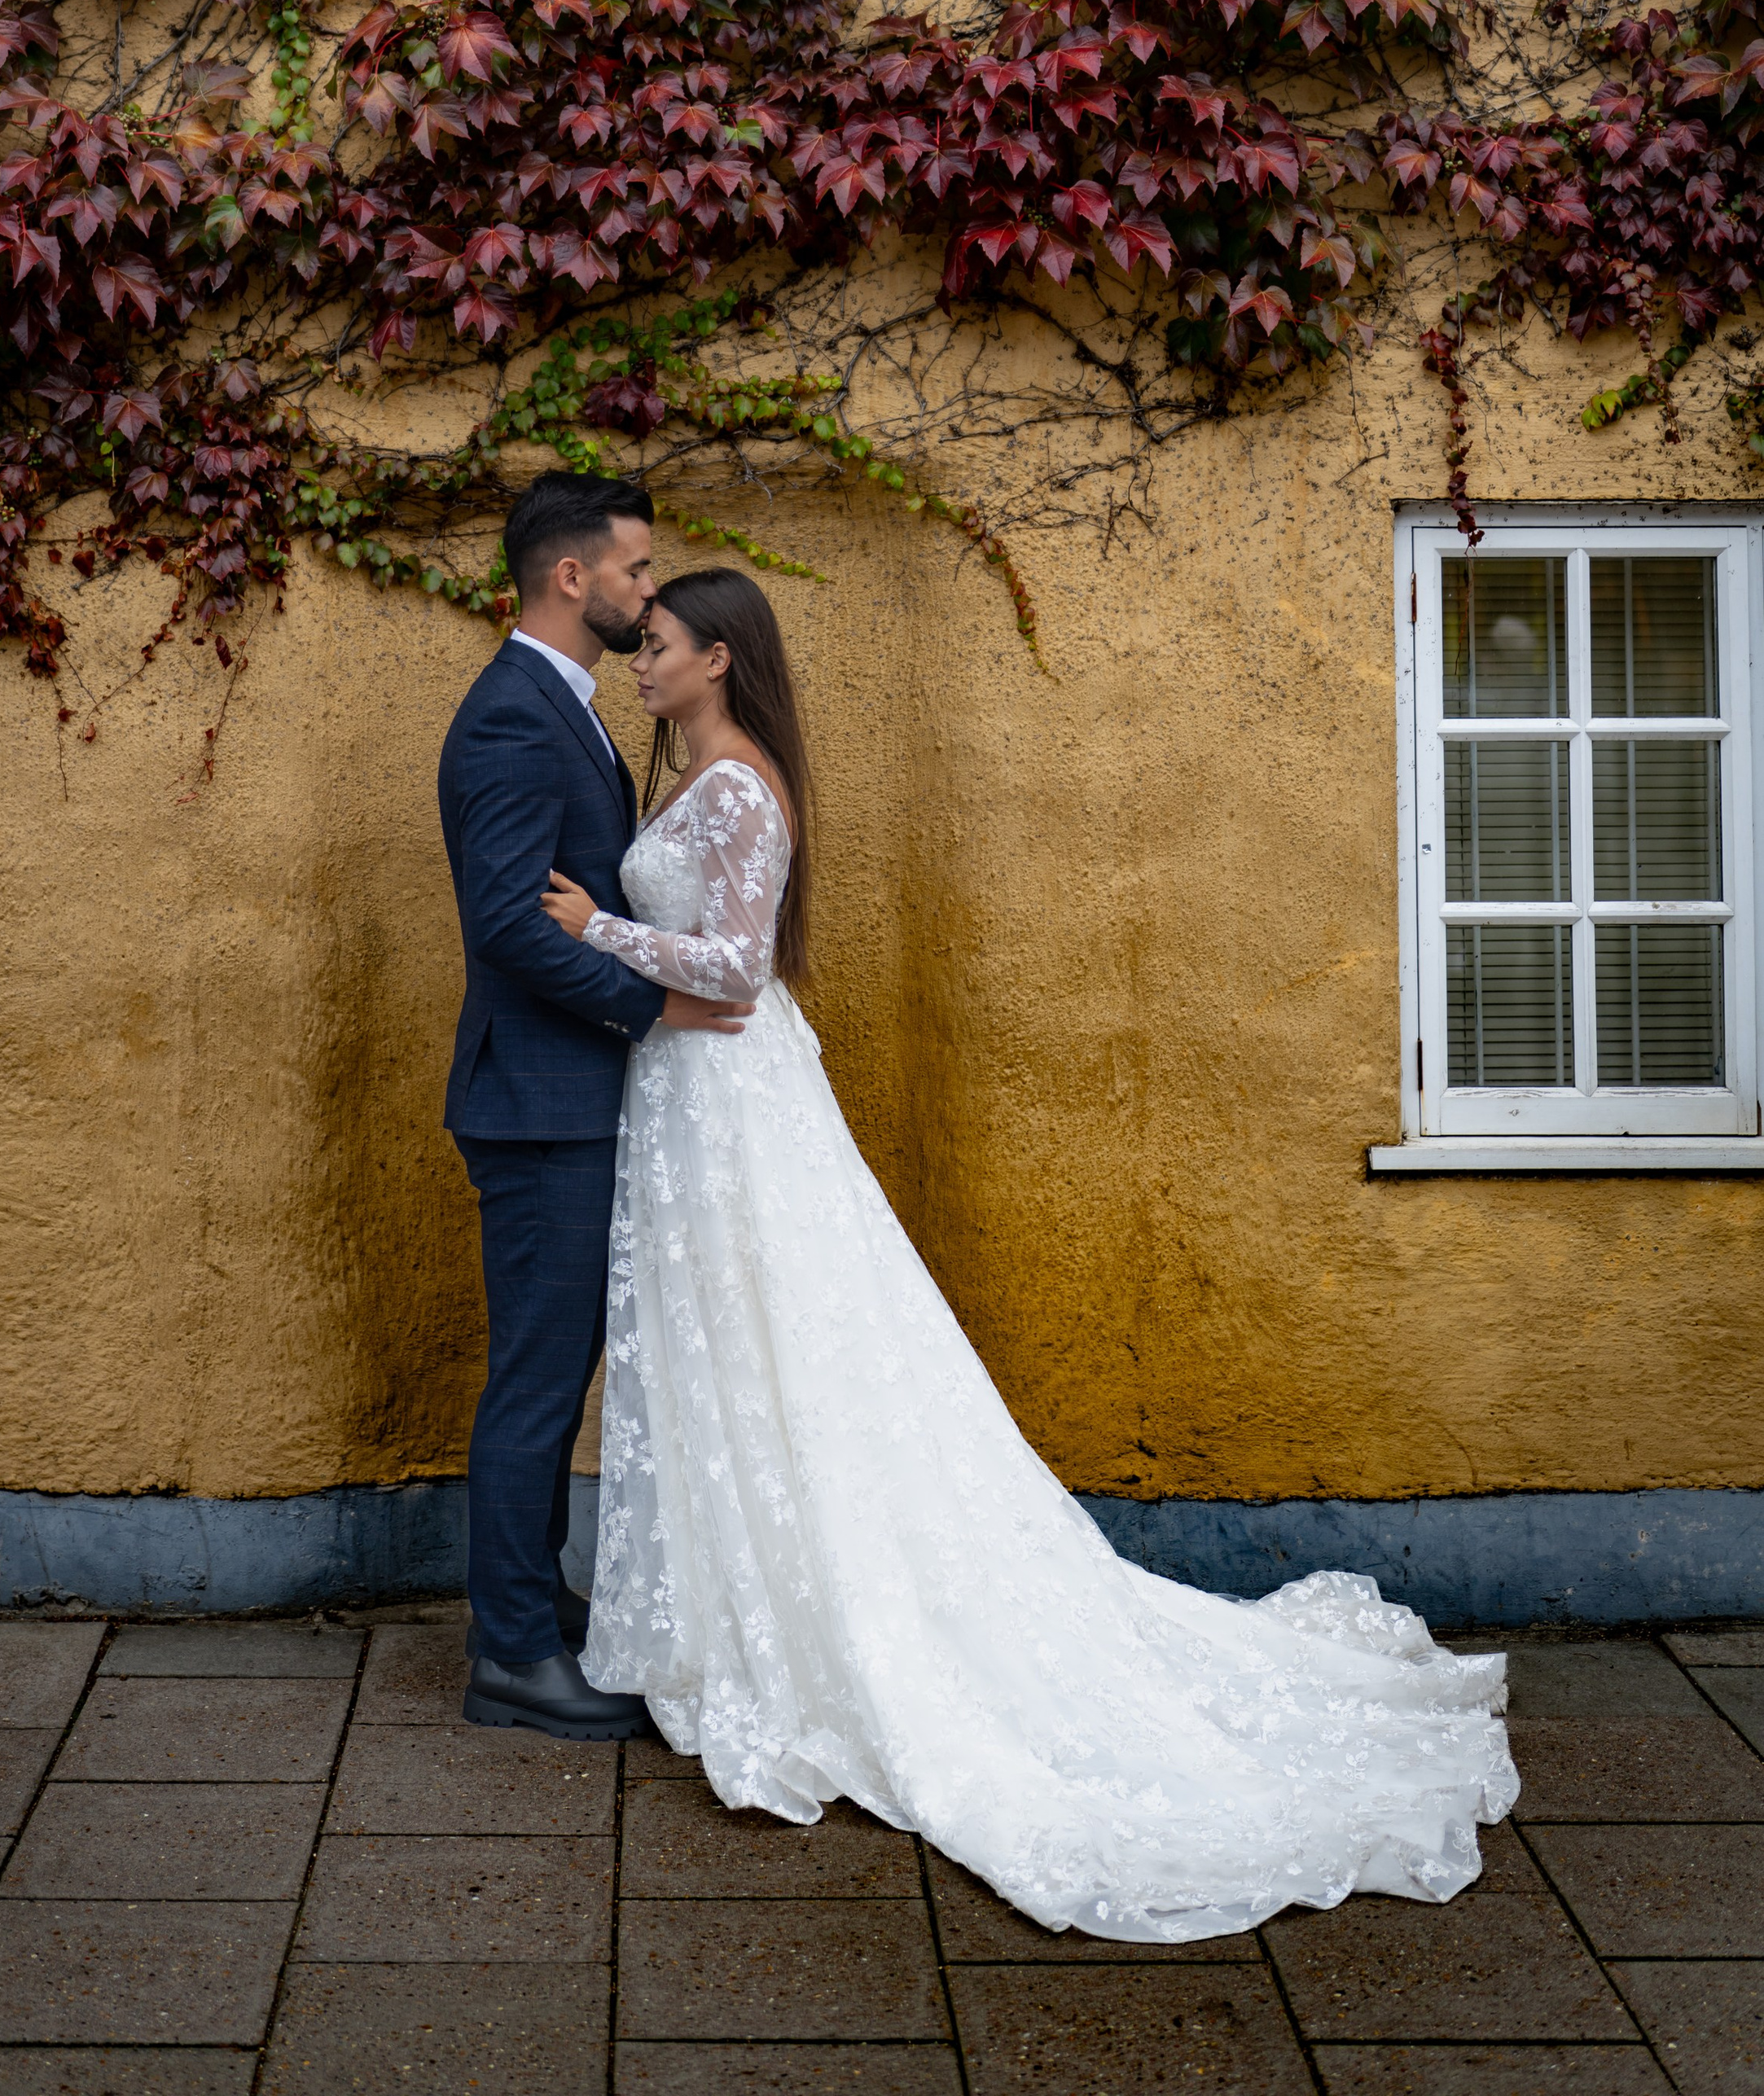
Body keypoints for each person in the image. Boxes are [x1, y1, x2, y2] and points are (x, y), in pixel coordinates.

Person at [538, 563, 1519, 1941]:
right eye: (639, 642)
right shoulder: (698, 776)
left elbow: (742, 968)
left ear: (719, 659)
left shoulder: (742, 786)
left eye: (657, 644)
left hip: (730, 1098)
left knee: (779, 1339)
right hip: (692, 1095)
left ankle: (826, 1623)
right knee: (732, 1347)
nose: (638, 660)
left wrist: (597, 929)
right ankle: (733, 1610)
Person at [437, 469, 749, 1743]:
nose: (648, 590)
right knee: (538, 1375)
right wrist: (651, 1007)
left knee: (554, 1368)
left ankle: (532, 1606)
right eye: (635, 569)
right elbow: (511, 926)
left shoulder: (558, 707)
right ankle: (513, 1654)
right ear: (572, 578)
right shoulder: (515, 719)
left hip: (564, 1097)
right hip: (537, 1107)